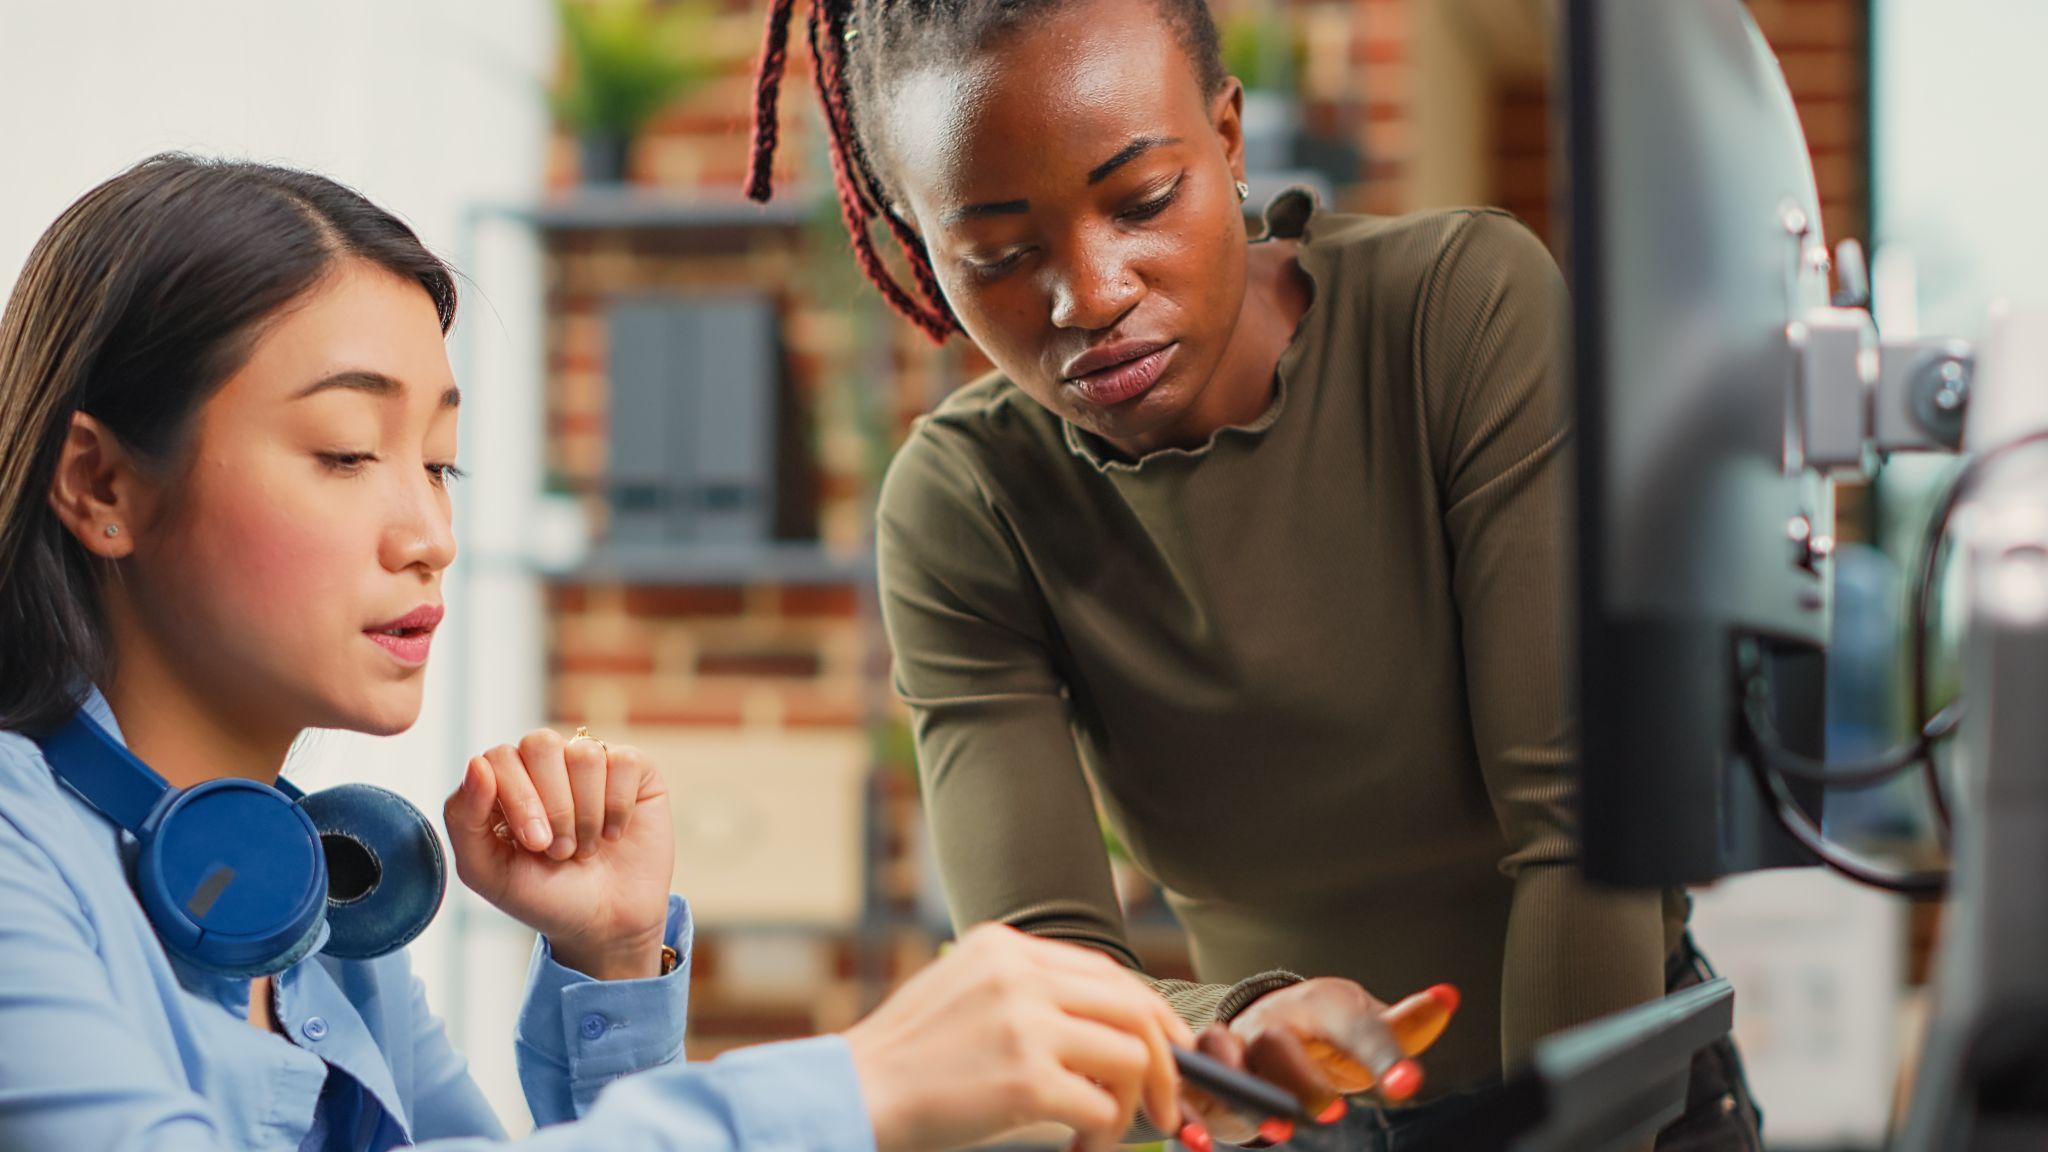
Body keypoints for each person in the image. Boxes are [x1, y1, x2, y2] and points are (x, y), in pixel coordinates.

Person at [0, 153, 1196, 1152]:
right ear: (102, 485)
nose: (430, 535)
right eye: (347, 452)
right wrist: (856, 1088)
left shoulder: (308, 908)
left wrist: (613, 957)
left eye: (440, 462)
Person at [745, 1, 1763, 1148]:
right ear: (915, 243)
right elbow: (1039, 975)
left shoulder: (1457, 313)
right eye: (999, 255)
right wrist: (1231, 1024)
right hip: (1293, 1123)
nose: (1092, 294)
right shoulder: (968, 506)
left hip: (1612, 1095)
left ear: (1226, 139)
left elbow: (1580, 828)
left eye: (1139, 203)